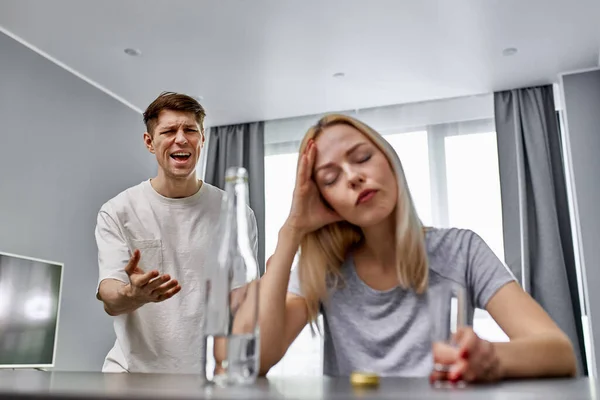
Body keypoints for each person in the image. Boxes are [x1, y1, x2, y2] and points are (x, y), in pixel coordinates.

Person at [257, 114, 577, 382]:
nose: (354, 177)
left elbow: (559, 352)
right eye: (330, 178)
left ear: (390, 160)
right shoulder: (323, 269)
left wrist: (491, 357)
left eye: (363, 158)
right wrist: (292, 230)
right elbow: (259, 360)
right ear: (325, 200)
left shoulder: (461, 249)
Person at [95, 92, 258, 373]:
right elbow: (110, 297)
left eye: (190, 130)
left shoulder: (235, 212)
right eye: (169, 131)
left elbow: (241, 302)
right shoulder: (118, 210)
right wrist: (134, 293)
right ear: (150, 142)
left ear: (202, 139)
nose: (181, 139)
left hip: (207, 376)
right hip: (132, 375)